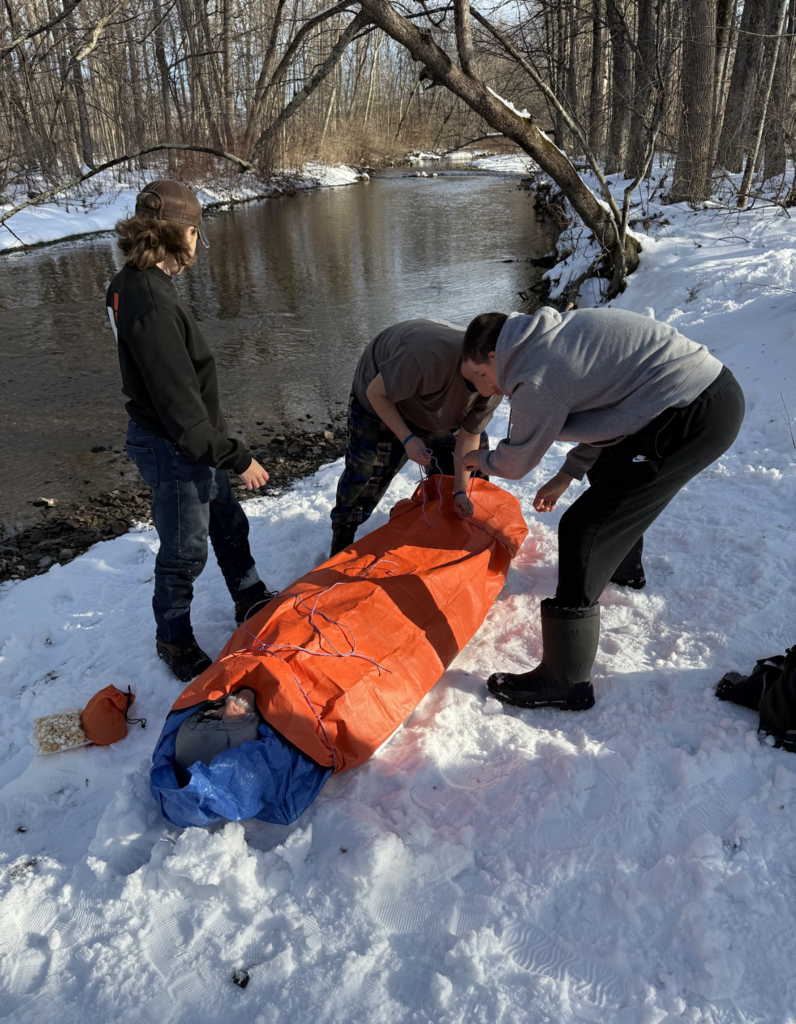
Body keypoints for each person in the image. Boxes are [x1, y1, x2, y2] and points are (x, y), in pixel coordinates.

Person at [459, 306, 745, 712]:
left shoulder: (534, 372)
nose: (487, 391)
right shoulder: (545, 338)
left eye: (480, 378)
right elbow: (617, 414)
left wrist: (478, 462)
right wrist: (568, 473)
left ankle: (565, 680)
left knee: (583, 527)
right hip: (696, 396)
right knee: (611, 471)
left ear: (493, 355)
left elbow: (517, 462)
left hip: (693, 413)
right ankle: (623, 569)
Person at [106, 180, 274, 682]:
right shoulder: (149, 301)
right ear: (184, 233)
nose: (198, 243)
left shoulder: (130, 282)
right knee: (185, 548)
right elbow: (178, 409)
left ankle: (249, 596)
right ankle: (173, 639)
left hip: (192, 437)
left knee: (226, 519)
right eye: (198, 232)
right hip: (175, 443)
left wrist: (213, 443)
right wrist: (237, 456)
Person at [329, 318, 502, 556]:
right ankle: (343, 532)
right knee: (366, 471)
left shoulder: (494, 382)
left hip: (436, 407)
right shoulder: (425, 358)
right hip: (381, 399)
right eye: (505, 376)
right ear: (491, 358)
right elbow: (375, 393)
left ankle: (442, 520)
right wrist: (407, 438)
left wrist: (461, 491)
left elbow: (470, 437)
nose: (506, 387)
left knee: (473, 464)